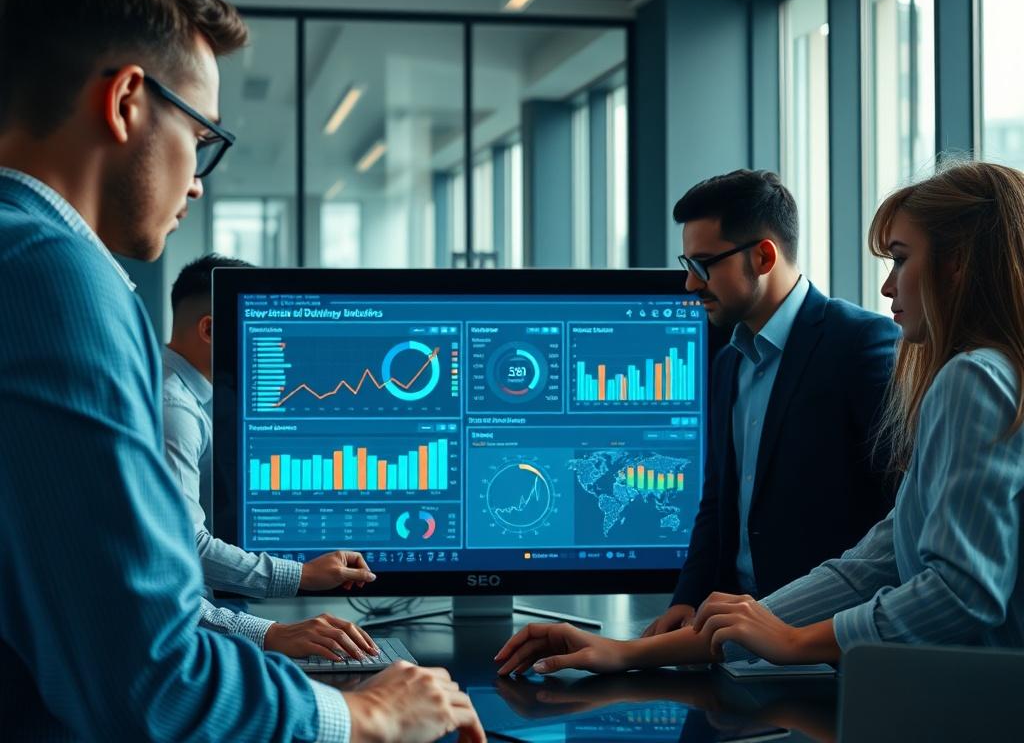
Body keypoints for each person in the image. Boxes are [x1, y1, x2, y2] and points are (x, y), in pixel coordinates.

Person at [0, 0, 483, 741]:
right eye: (201, 137)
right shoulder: (53, 274)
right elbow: (147, 679)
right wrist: (367, 713)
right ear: (128, 99)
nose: (195, 180)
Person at [494, 160, 1024, 675]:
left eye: (901, 259)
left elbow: (960, 593)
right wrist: (632, 650)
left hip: (944, 693)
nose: (887, 286)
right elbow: (873, 562)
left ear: (956, 264)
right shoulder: (730, 359)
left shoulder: (958, 375)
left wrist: (794, 642)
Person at [641, 170, 899, 638]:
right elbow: (719, 500)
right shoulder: (727, 361)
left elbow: (899, 512)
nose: (689, 284)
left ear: (762, 256)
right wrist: (687, 598)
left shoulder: (861, 344)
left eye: (702, 265)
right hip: (734, 636)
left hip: (824, 638)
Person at [165, 253, 380, 662]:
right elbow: (182, 548)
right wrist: (301, 576)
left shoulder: (184, 394)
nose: (276, 342)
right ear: (210, 330)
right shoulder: (173, 410)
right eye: (260, 327)